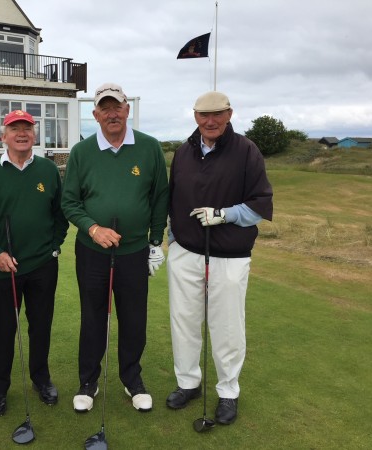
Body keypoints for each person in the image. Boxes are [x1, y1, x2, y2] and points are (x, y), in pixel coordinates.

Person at [166, 91, 273, 425]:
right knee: (183, 321)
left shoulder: (246, 151)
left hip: (229, 254)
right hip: (185, 252)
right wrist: (170, 240)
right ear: (195, 116)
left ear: (229, 114)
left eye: (217, 114)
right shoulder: (183, 152)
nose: (210, 121)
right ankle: (188, 383)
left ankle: (228, 391)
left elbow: (260, 203)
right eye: (203, 115)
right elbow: (173, 200)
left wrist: (224, 214)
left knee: (226, 326)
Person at [61, 83, 169, 413]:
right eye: (105, 108)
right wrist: (93, 228)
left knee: (134, 318)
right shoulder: (82, 152)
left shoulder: (149, 147)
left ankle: (132, 379)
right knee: (93, 317)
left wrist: (155, 241)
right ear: (95, 115)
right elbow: (70, 201)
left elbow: (159, 197)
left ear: (127, 110)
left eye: (117, 107)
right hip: (92, 251)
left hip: (134, 251)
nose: (112, 114)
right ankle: (88, 382)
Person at [0, 110, 69, 417]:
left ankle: (41, 379)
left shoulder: (48, 170)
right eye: (15, 129)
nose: (22, 133)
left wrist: (53, 246)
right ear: (3, 136)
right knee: (2, 329)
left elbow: (60, 214)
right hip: (3, 267)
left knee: (41, 326)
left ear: (34, 135)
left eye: (27, 128)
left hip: (43, 265)